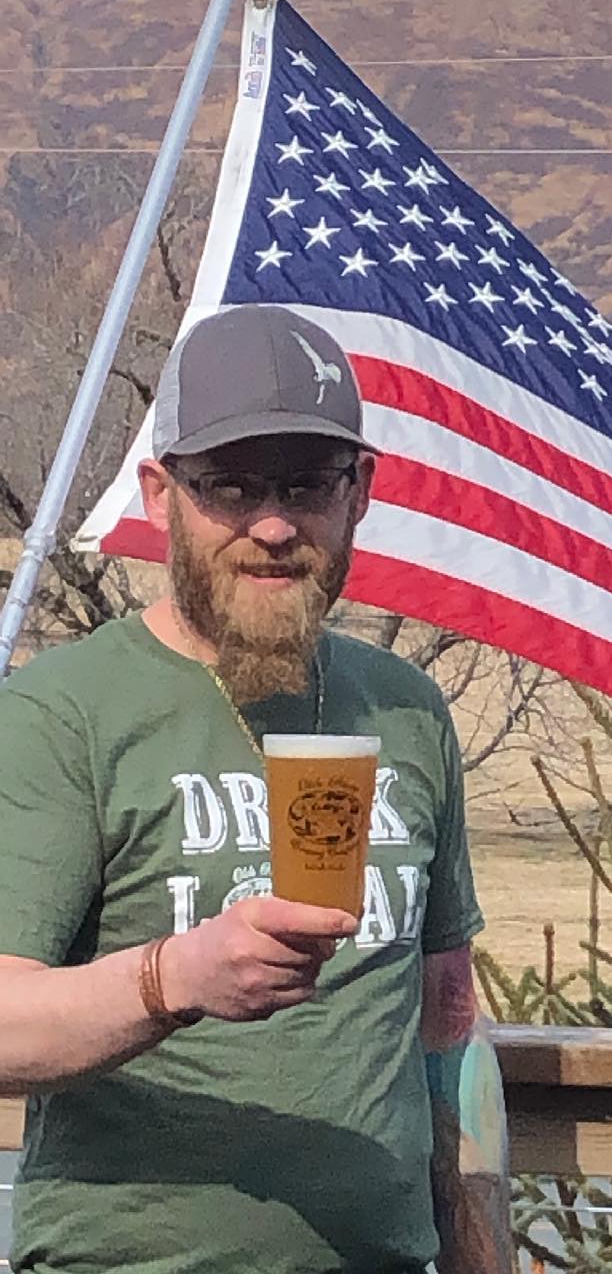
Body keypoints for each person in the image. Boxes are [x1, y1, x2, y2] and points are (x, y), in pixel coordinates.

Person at [0, 304, 507, 1272]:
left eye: (307, 484)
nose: (272, 525)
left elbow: (445, 1012)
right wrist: (175, 980)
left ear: (359, 493)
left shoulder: (403, 708)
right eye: (230, 485)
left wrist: (480, 1250)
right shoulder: (61, 712)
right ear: (161, 494)